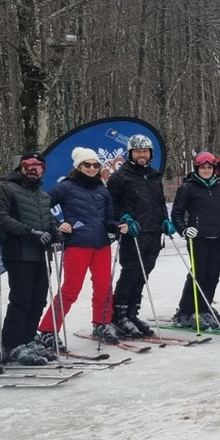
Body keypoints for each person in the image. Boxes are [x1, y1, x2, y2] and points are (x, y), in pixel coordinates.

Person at [38, 147, 129, 346]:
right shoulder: (66, 187)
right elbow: (41, 204)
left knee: (104, 287)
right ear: (78, 166)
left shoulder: (102, 190)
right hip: (77, 244)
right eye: (87, 164)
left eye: (95, 165)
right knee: (71, 289)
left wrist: (117, 225)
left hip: (101, 245)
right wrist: (57, 224)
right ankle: (47, 330)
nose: (91, 168)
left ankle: (102, 324)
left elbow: (108, 218)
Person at [0, 151, 60, 366]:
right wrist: (29, 232)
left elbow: (49, 220)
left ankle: (28, 339)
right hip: (18, 251)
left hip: (40, 254)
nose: (33, 169)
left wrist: (55, 231)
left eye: (38, 166)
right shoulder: (7, 189)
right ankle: (12, 344)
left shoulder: (43, 196)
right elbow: (0, 217)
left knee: (38, 298)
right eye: (29, 164)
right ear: (20, 167)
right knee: (21, 299)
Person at [107, 134, 170, 339]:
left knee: (144, 274)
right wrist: (123, 218)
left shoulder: (153, 175)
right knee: (130, 272)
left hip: (153, 232)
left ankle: (133, 313)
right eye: (138, 151)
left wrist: (165, 220)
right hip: (133, 233)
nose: (142, 155)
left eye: (145, 151)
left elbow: (160, 202)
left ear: (150, 153)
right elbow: (111, 206)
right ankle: (120, 314)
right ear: (131, 153)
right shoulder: (120, 177)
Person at [170, 151, 220, 331]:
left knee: (213, 275)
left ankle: (204, 308)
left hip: (218, 237)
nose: (206, 170)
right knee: (199, 274)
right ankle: (186, 311)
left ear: (214, 169)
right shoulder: (188, 187)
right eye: (202, 167)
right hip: (199, 238)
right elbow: (177, 213)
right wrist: (184, 229)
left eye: (209, 167)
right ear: (197, 169)